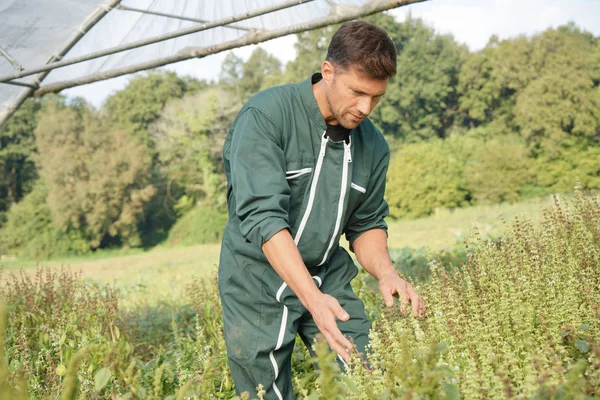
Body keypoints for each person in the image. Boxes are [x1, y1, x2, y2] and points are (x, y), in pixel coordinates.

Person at [218, 20, 425, 400]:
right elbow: (264, 219)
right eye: (357, 92)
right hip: (257, 280)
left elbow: (366, 223)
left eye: (376, 97)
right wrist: (312, 302)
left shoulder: (373, 146)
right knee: (266, 392)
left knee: (368, 375)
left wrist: (386, 272)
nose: (366, 108)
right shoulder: (267, 117)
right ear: (328, 71)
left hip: (326, 272)